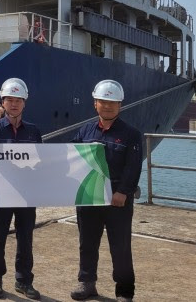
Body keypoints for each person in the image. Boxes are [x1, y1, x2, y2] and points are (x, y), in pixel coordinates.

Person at [70, 80, 142, 302]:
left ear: (120, 105)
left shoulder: (131, 134)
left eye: (112, 102)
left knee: (120, 247)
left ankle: (124, 291)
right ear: (95, 104)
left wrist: (123, 192)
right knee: (87, 243)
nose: (108, 106)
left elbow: (133, 166)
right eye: (103, 101)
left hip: (117, 199)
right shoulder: (84, 132)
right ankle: (87, 283)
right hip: (90, 197)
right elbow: (72, 161)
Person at [0, 78, 42, 300]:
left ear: (24, 103)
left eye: (18, 100)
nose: (14, 104)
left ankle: (24, 281)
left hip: (26, 194)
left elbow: (42, 160)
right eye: (9, 100)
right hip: (1, 192)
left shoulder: (33, 131)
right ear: (2, 102)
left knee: (25, 238)